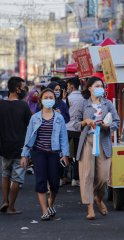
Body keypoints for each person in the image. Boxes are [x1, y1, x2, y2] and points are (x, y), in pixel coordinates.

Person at [73, 77, 120, 220]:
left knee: (103, 177)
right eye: (97, 85)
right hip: (87, 141)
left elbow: (117, 122)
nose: (101, 88)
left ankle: (98, 198)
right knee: (87, 175)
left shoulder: (108, 104)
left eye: (102, 86)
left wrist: (108, 126)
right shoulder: (83, 104)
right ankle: (90, 207)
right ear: (90, 88)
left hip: (103, 141)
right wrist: (85, 122)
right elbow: (74, 124)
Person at [20, 88, 69, 221]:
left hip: (54, 153)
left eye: (51, 97)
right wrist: (25, 155)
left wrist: (65, 154)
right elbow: (28, 136)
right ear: (41, 100)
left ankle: (51, 204)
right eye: (46, 97)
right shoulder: (35, 118)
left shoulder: (59, 117)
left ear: (54, 100)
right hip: (39, 153)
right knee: (41, 181)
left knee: (54, 183)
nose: (49, 100)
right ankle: (44, 210)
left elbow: (63, 138)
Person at [0, 76, 32, 214]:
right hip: (20, 147)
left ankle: (4, 201)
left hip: (4, 147)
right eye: (23, 87)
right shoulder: (23, 105)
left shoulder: (1, 104)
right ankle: (11, 207)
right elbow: (30, 126)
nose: (25, 90)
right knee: (17, 178)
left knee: (5, 174)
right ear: (18, 89)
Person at [66, 77, 84, 187]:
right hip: (79, 128)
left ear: (72, 86)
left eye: (68, 86)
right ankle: (75, 178)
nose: (67, 88)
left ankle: (62, 177)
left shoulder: (68, 98)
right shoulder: (83, 98)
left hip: (67, 128)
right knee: (78, 155)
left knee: (64, 153)